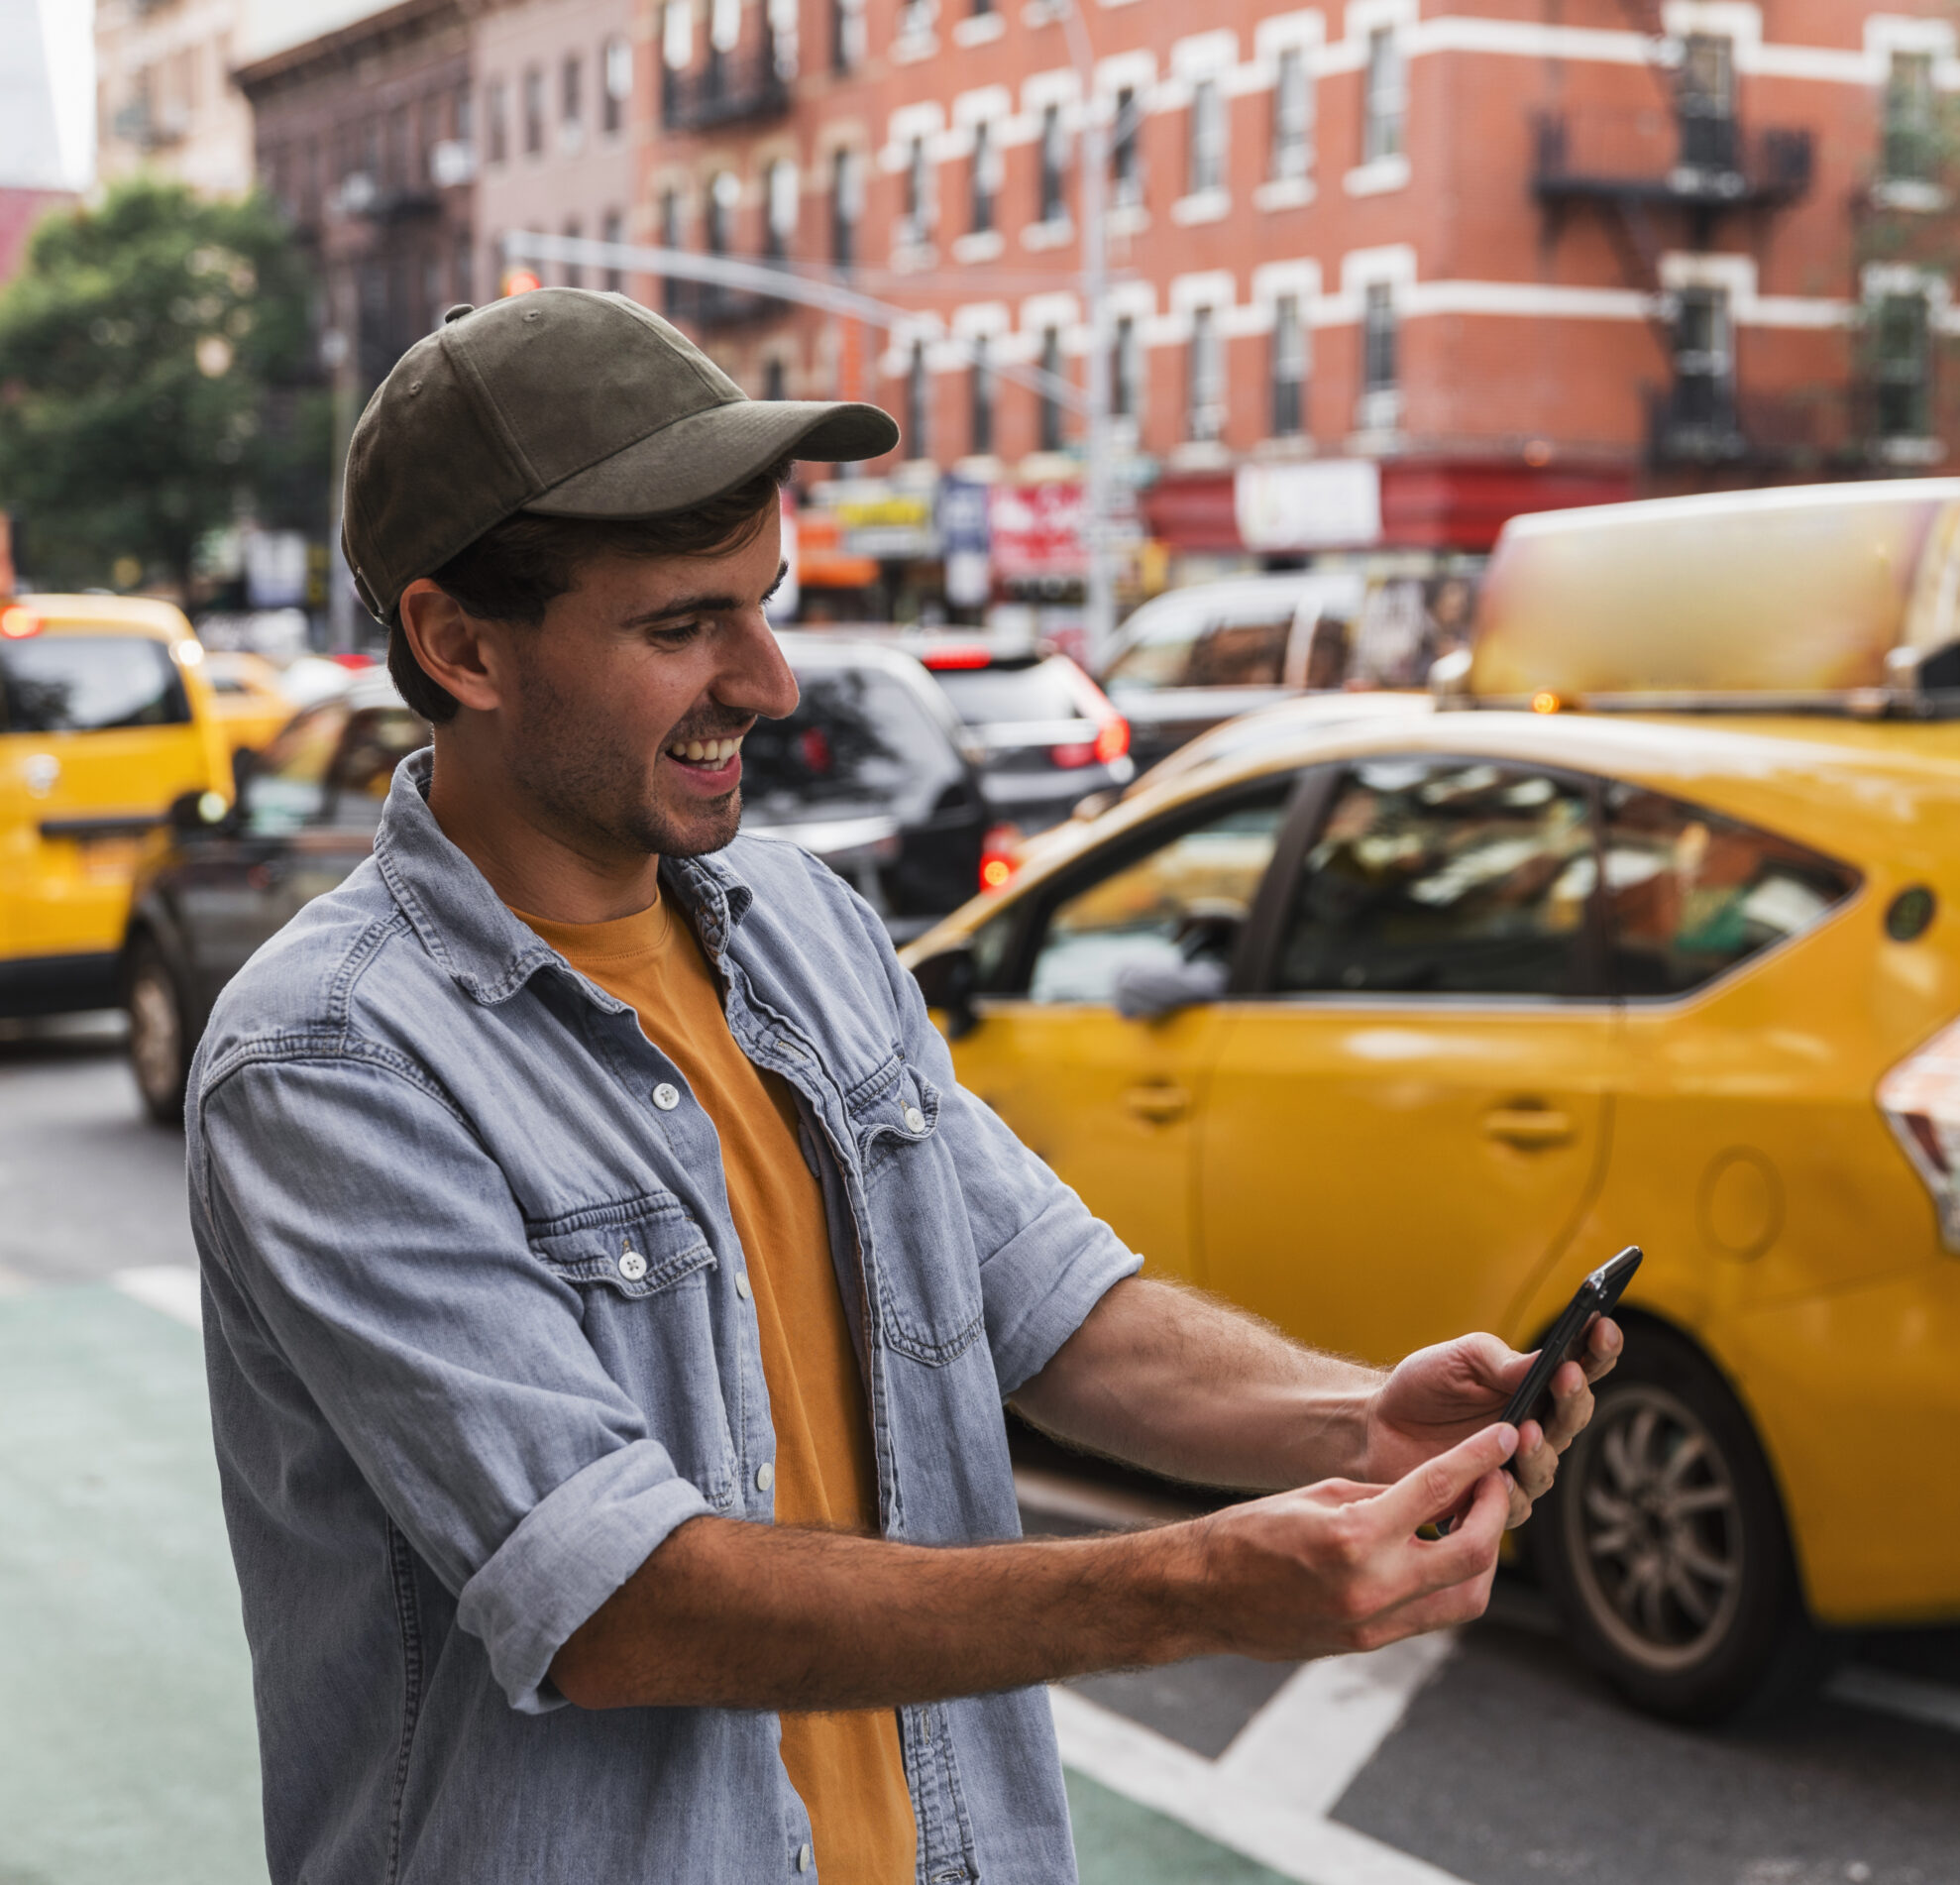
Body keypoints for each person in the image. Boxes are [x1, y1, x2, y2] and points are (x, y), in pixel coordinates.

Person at [186, 286, 1620, 1885]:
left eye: (764, 602)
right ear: (461, 645)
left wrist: (1354, 1419)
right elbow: (616, 1603)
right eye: (683, 626)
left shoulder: (802, 926)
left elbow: (1050, 1304)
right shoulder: (327, 1061)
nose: (770, 677)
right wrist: (1198, 1587)